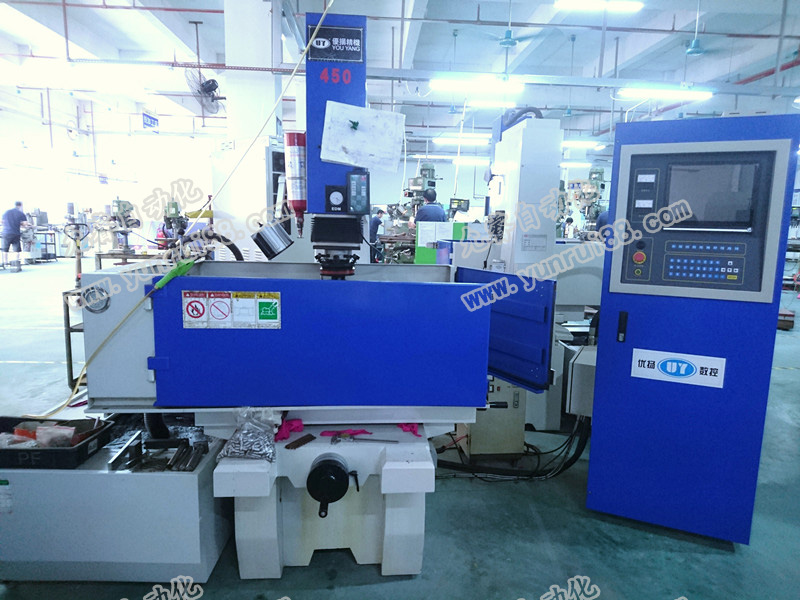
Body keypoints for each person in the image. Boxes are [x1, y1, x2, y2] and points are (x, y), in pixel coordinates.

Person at [2, 201, 28, 273]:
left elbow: (2, 222)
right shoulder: (21, 213)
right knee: (16, 249)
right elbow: (25, 224)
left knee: (5, 249)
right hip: (15, 233)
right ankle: (16, 263)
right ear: (21, 206)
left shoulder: (6, 212)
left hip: (6, 233)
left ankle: (5, 263)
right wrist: (21, 224)